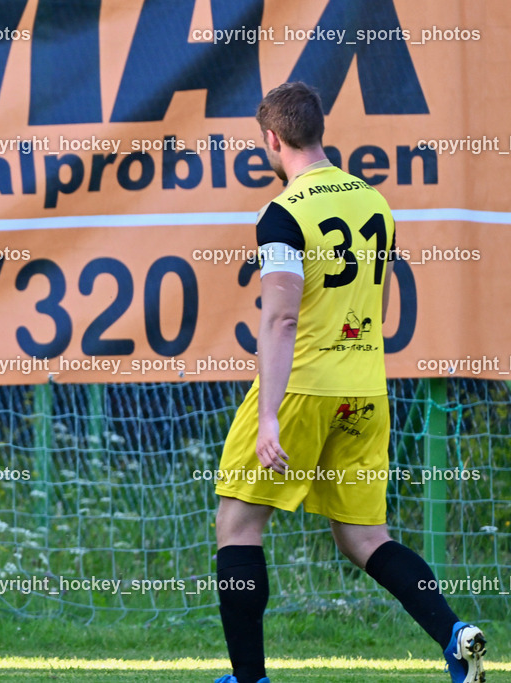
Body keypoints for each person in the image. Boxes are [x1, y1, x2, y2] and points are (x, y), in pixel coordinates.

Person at [211, 82, 486, 683]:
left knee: (238, 526)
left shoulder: (282, 214)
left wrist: (269, 416)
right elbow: (377, 305)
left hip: (305, 386)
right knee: (364, 536)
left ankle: (247, 677)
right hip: (365, 388)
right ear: (321, 130)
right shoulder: (375, 204)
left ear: (272, 139)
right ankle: (455, 635)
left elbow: (282, 318)